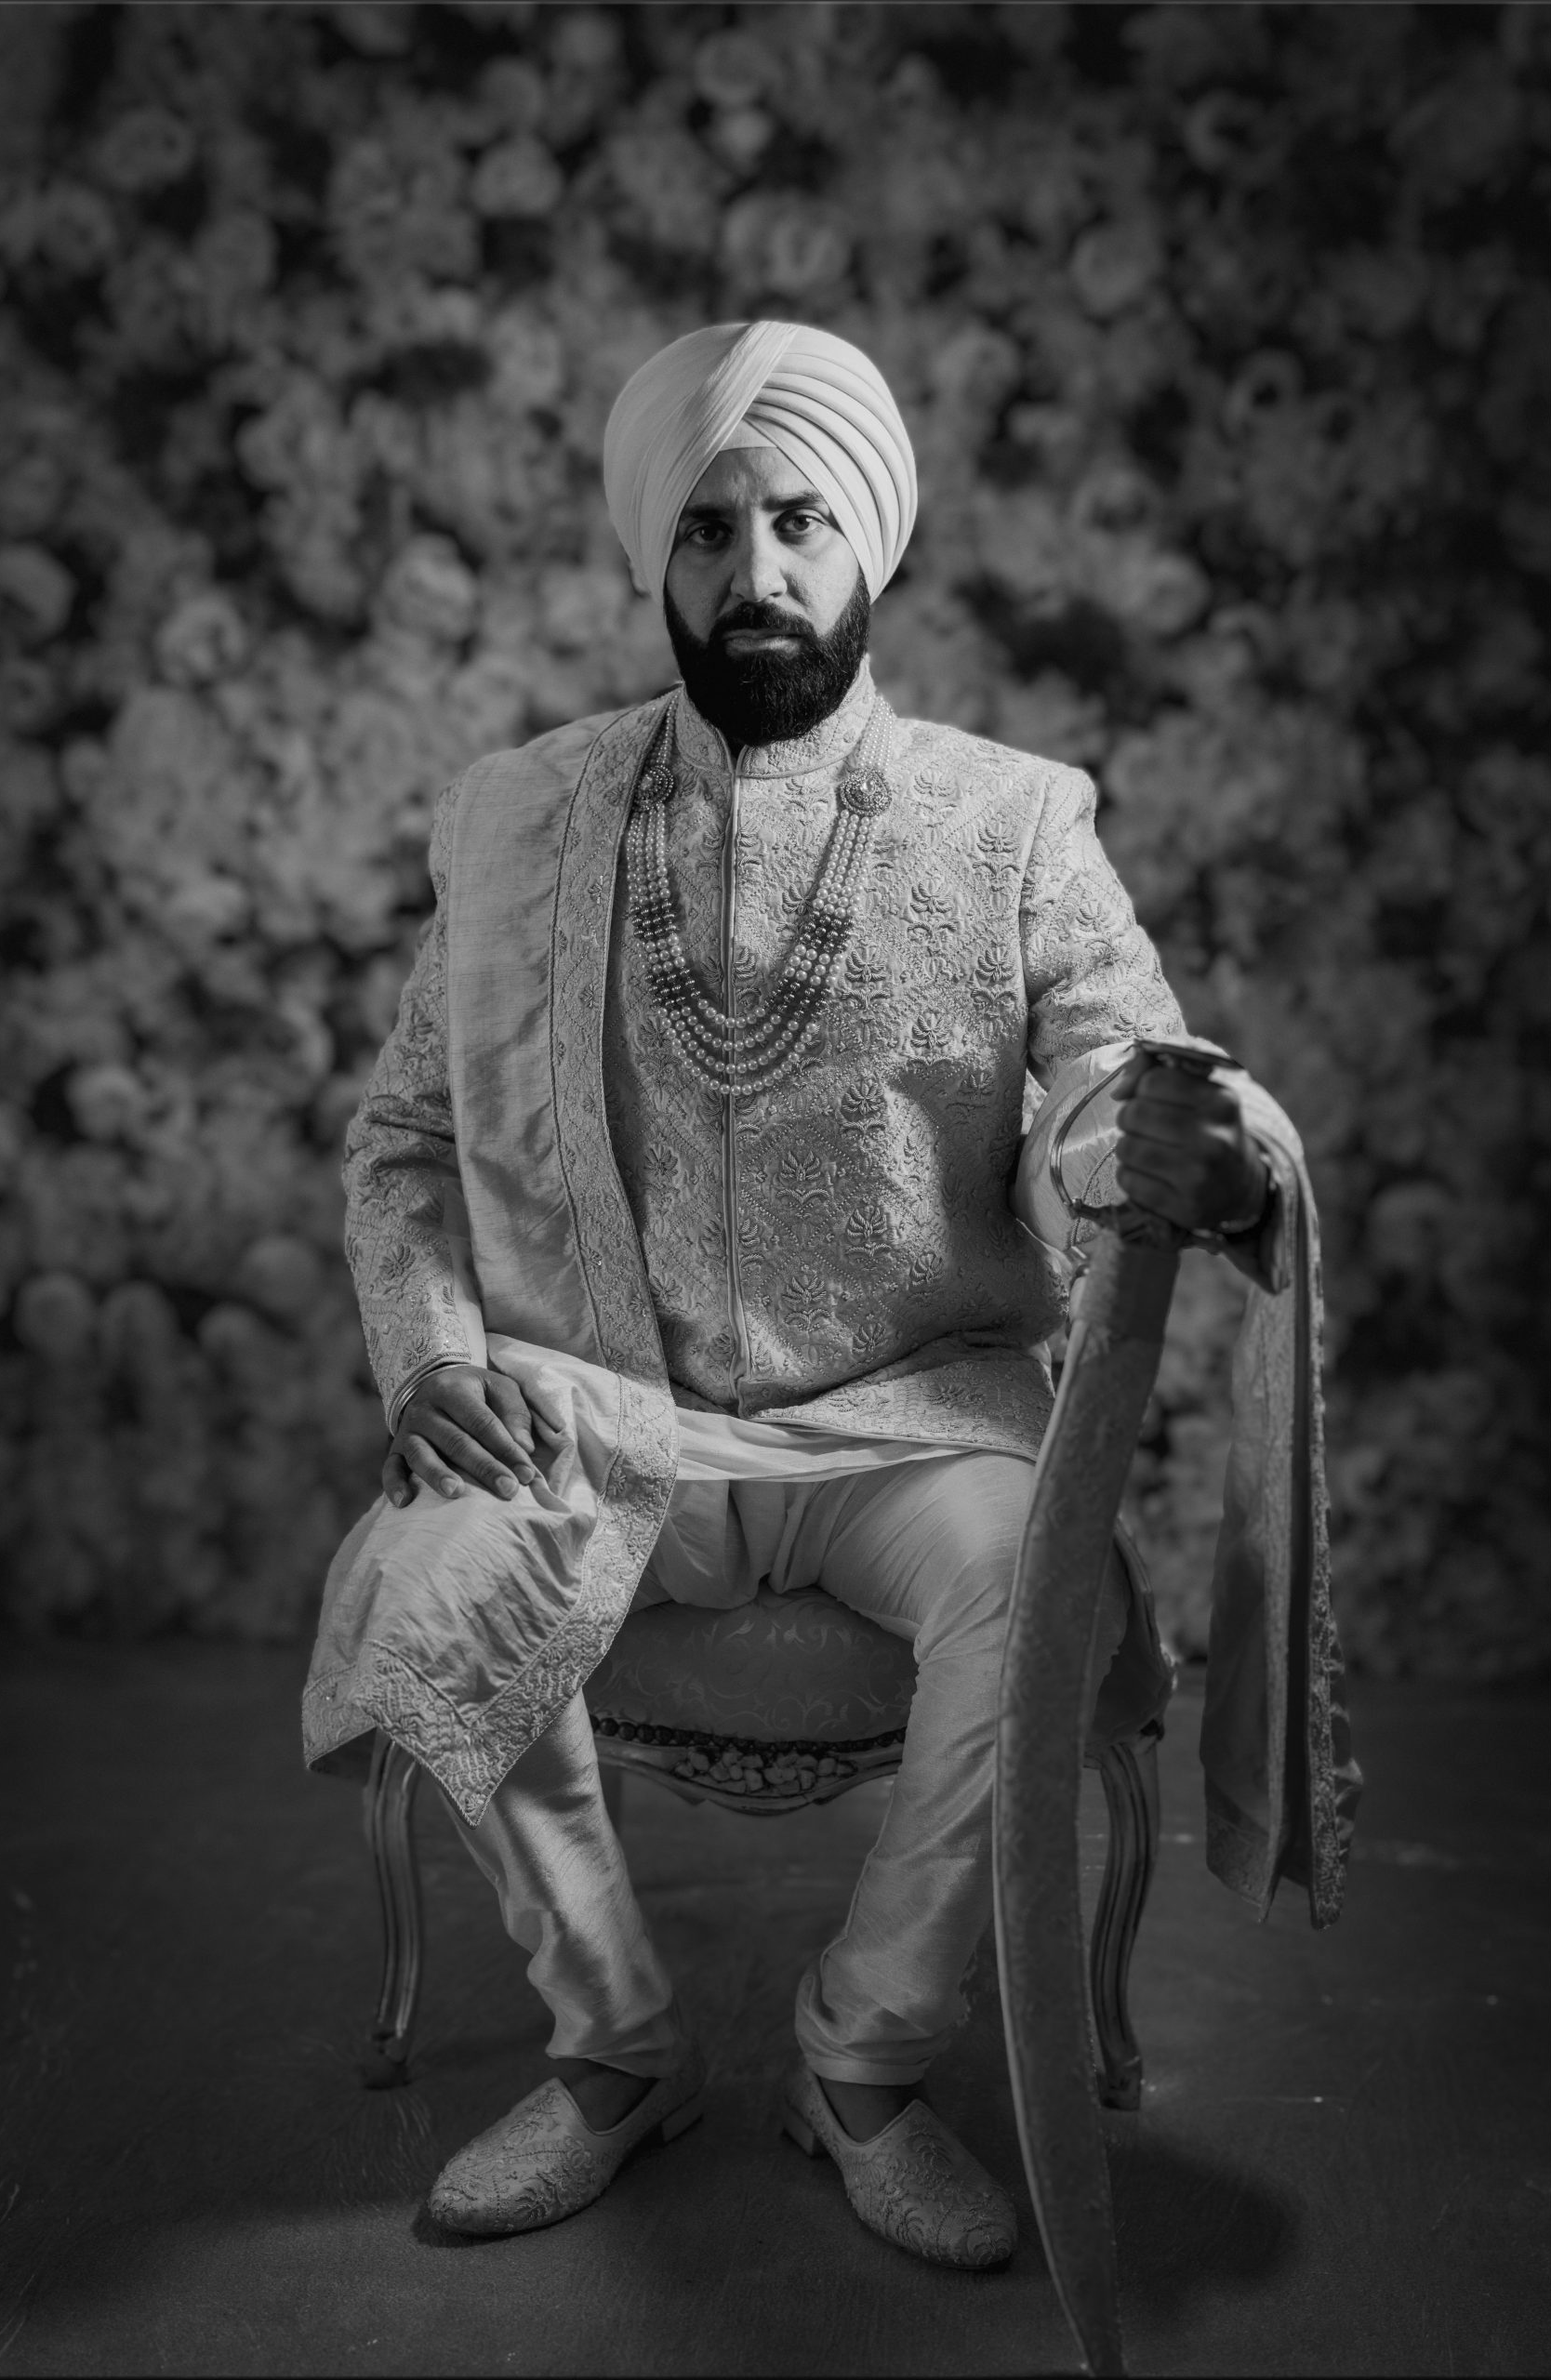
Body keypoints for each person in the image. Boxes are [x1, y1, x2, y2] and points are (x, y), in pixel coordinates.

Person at [304, 321, 1353, 2268]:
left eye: (797, 521)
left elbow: (1112, 1079)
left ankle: (861, 2067)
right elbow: (399, 1145)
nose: (756, 574)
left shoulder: (1011, 816)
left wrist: (1162, 1146)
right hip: (607, 1404)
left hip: (906, 1409)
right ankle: (614, 2047)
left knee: (1027, 1571)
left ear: (866, 542)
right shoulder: (516, 815)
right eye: (707, 530)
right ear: (655, 558)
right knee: (436, 1572)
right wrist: (435, 1352)